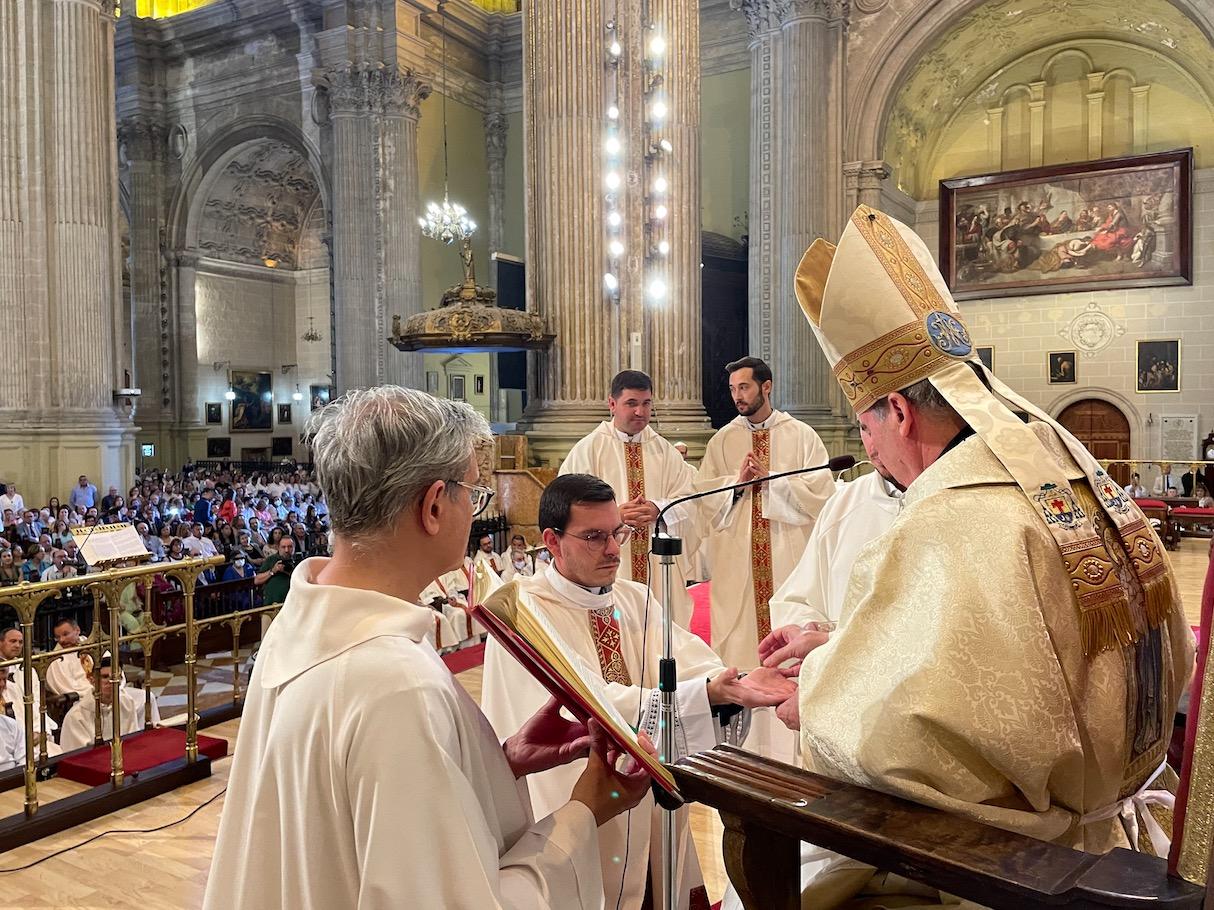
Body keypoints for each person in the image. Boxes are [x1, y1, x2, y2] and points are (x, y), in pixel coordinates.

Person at [769, 204, 1194, 907]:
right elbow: (1009, 675)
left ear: (900, 413)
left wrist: (812, 691)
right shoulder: (1069, 475)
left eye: (864, 425)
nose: (867, 448)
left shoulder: (952, 518)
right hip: (1117, 843)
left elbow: (909, 748)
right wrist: (843, 646)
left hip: (1003, 871)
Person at [204, 386, 655, 910]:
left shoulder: (307, 616)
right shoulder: (392, 683)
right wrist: (584, 811)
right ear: (435, 505)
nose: (475, 508)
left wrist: (495, 764)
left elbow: (343, 821)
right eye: (473, 492)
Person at [482, 474, 795, 910]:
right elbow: (586, 703)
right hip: (578, 803)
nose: (614, 549)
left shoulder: (634, 597)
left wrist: (733, 684)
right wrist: (705, 693)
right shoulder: (523, 615)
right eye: (594, 536)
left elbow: (691, 661)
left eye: (617, 533)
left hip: (649, 802)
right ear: (552, 541)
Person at [693, 356, 834, 686]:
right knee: (740, 649)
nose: (737, 396)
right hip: (737, 562)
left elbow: (821, 493)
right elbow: (703, 498)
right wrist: (737, 485)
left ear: (766, 387)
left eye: (744, 387)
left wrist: (773, 481)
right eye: (732, 389)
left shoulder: (801, 435)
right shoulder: (723, 440)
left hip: (787, 557)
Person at [559, 369, 699, 625]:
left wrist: (659, 509)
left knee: (660, 634)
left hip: (657, 565)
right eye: (631, 403)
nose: (640, 412)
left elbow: (692, 500)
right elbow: (565, 507)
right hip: (608, 562)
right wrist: (613, 518)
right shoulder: (588, 450)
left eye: (646, 403)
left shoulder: (665, 451)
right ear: (612, 404)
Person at [58, 661, 159, 752]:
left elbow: (132, 739)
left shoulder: (127, 703)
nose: (111, 682)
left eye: (115, 677)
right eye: (105, 677)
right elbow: (76, 757)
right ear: (92, 680)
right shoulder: (76, 717)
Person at [0, 627, 59, 746]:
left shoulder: (28, 669)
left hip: (30, 718)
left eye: (20, 642)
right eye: (13, 641)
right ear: (0, 642)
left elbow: (36, 700)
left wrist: (38, 730)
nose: (17, 645)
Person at [44, 618, 96, 697]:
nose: (62, 640)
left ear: (77, 630)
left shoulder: (91, 644)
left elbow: (109, 666)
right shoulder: (56, 661)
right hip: (82, 700)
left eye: (65, 634)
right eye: (57, 637)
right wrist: (94, 691)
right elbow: (67, 689)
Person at [254, 536, 296, 606]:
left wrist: (289, 573)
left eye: (290, 547)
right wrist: (273, 571)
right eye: (283, 547)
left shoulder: (300, 561)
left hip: (292, 605)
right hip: (272, 605)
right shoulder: (271, 560)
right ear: (278, 547)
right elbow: (257, 580)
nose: (286, 550)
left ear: (294, 547)